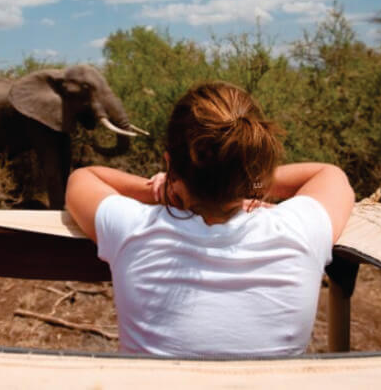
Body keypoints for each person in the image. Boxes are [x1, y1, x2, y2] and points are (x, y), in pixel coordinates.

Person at [65, 81, 354, 358]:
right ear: (255, 163)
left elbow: (82, 178)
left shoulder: (134, 228)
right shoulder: (299, 230)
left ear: (171, 164)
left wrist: (163, 189)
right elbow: (330, 175)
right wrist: (249, 181)